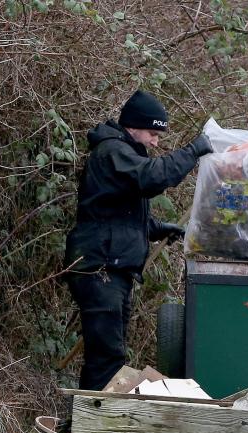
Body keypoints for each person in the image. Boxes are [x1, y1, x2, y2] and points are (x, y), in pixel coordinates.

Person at [65, 90, 213, 391]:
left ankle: (87, 427)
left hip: (111, 267)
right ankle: (85, 431)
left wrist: (158, 228)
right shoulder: (113, 152)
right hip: (100, 269)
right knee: (106, 358)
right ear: (132, 126)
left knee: (110, 356)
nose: (155, 142)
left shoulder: (124, 155)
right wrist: (194, 150)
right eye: (152, 133)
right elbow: (152, 177)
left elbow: (118, 216)